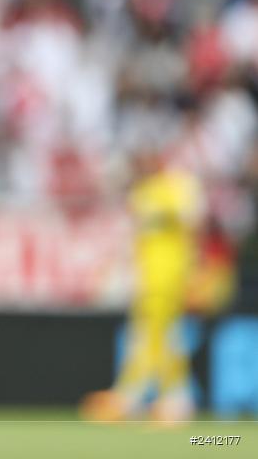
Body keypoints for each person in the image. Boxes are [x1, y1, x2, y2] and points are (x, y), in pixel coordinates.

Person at [81, 141, 204, 422]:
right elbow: (135, 239)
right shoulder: (141, 194)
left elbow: (192, 221)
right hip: (147, 279)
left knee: (160, 336)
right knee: (147, 336)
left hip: (170, 276)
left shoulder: (177, 186)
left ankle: (163, 398)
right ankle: (150, 396)